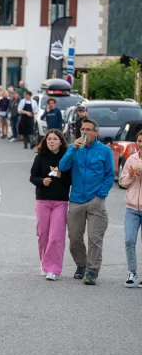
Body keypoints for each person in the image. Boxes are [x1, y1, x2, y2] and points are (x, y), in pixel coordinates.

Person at [58, 118, 114, 285]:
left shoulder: (105, 151)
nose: (85, 132)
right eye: (83, 129)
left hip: (95, 199)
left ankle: (92, 270)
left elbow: (110, 175)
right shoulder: (73, 148)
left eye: (89, 129)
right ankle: (81, 265)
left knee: (95, 238)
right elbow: (62, 167)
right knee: (74, 237)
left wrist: (101, 195)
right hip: (76, 199)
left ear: (96, 133)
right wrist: (72, 150)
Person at [30, 130, 72, 281]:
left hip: (60, 201)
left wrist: (60, 175)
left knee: (56, 236)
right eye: (49, 139)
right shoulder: (40, 157)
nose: (51, 141)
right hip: (42, 200)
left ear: (61, 141)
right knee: (43, 234)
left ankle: (53, 269)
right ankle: (44, 263)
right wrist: (42, 181)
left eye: (55, 139)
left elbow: (71, 180)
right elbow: (32, 177)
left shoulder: (66, 158)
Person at [117, 130, 142, 288]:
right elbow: (122, 182)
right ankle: (132, 272)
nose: (141, 144)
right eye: (139, 141)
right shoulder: (131, 159)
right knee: (129, 240)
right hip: (132, 208)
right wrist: (132, 175)